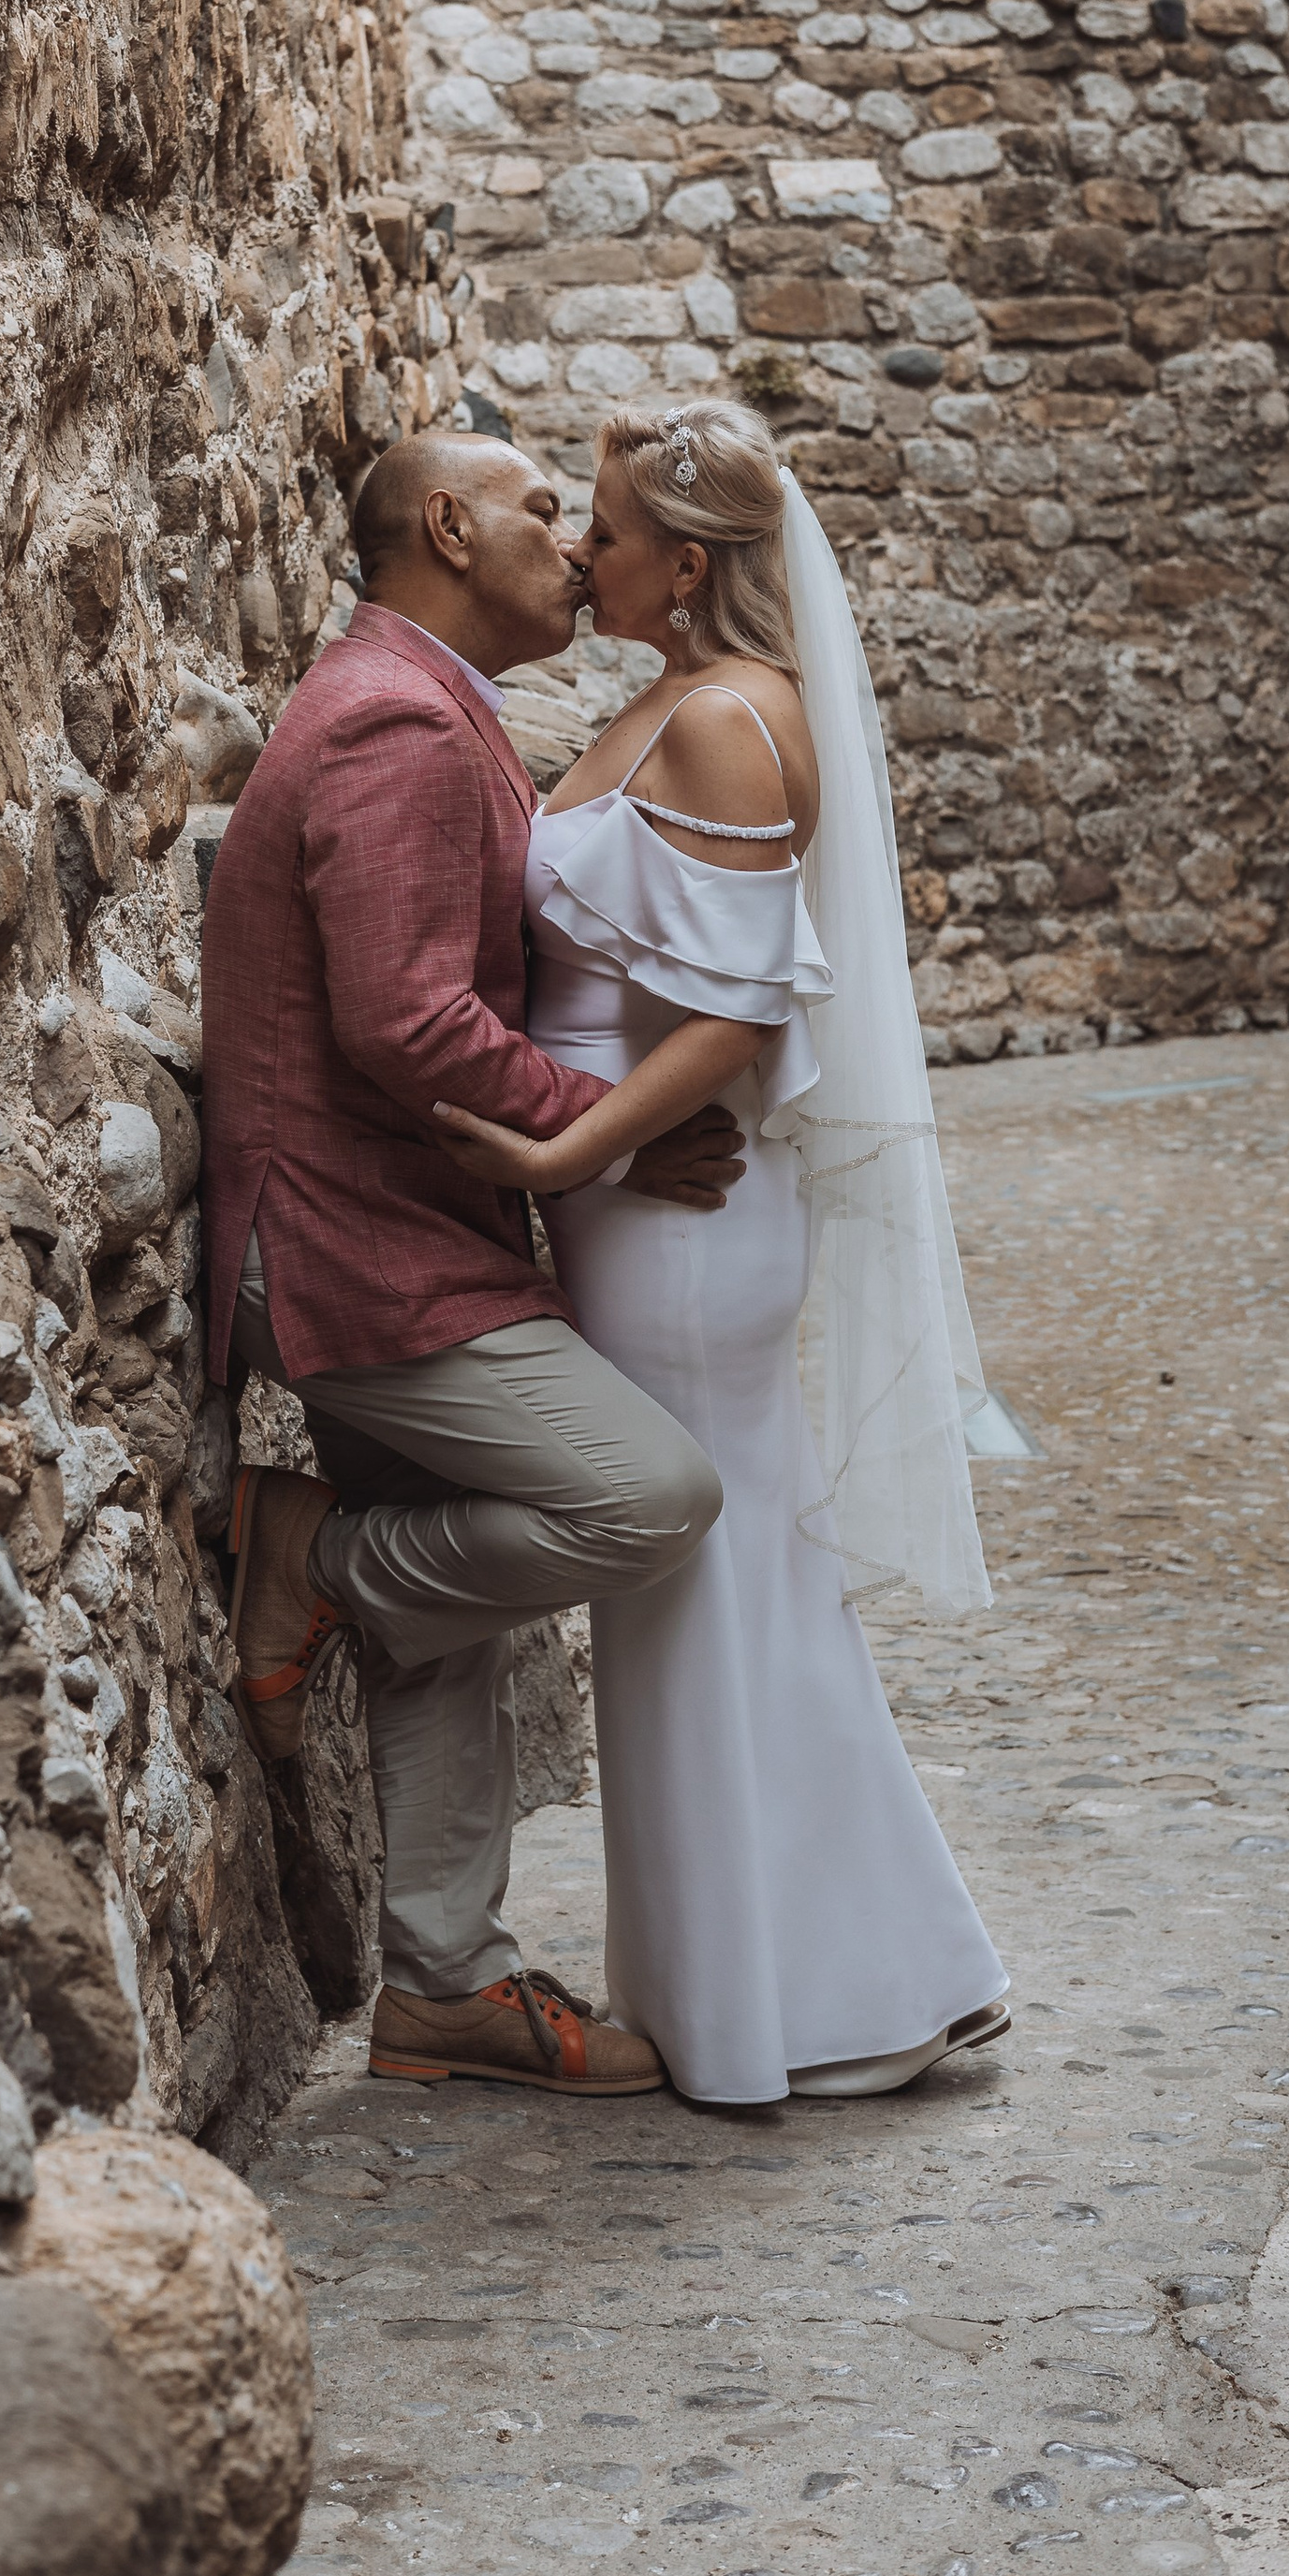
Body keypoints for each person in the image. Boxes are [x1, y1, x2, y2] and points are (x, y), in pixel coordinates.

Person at [431, 397, 1010, 2102]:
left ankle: (805, 1996)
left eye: (603, 532)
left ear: (683, 568)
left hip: (678, 1227)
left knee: (717, 1589)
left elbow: (739, 1016)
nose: (577, 550)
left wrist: (563, 1149)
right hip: (643, 1210)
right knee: (724, 1590)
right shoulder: (667, 702)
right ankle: (813, 1980)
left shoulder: (732, 726)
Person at [200, 427, 748, 2097]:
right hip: (356, 1252)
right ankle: (314, 1560)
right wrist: (627, 1126)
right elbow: (405, 1020)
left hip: (407, 1236)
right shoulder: (391, 716)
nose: (574, 550)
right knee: (647, 1496)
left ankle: (444, 1983)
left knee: (459, 1634)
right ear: (444, 524)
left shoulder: (436, 704)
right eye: (534, 514)